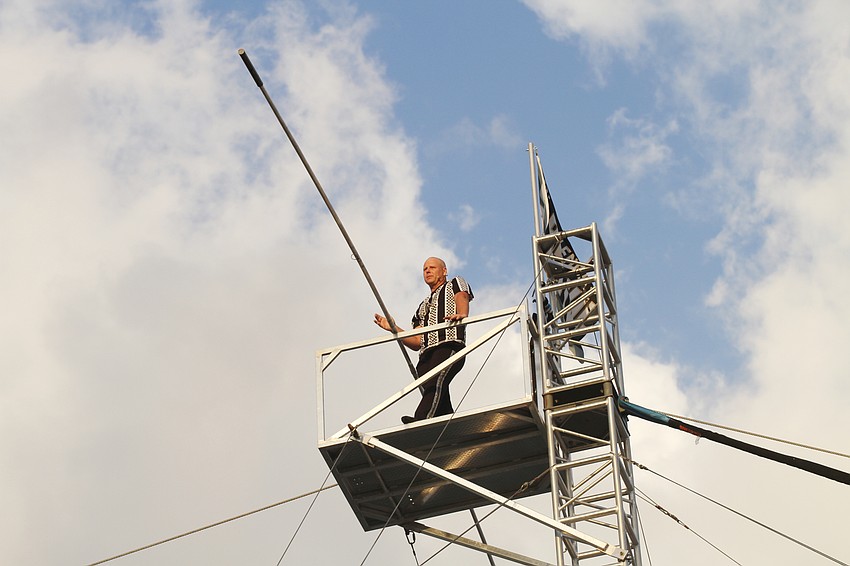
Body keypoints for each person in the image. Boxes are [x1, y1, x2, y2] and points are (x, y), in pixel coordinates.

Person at [374, 257, 473, 423]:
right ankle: (447, 421)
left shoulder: (455, 283)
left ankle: (421, 419)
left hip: (448, 344)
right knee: (433, 389)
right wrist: (394, 328)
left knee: (435, 381)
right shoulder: (422, 306)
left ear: (444, 271)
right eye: (425, 268)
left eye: (432, 267)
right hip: (426, 353)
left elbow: (462, 296)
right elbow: (416, 341)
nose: (427, 271)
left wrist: (462, 314)